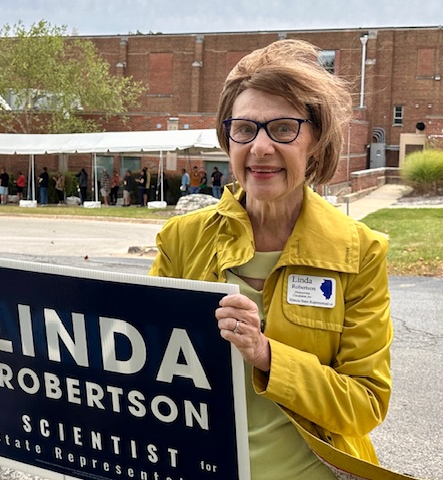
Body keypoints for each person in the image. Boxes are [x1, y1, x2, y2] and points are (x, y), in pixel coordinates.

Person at [147, 40, 392, 479]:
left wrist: (265, 354)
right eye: (245, 129)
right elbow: (129, 355)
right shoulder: (181, 239)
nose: (260, 147)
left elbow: (364, 404)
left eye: (282, 129)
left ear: (315, 141)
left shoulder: (359, 252)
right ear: (228, 139)